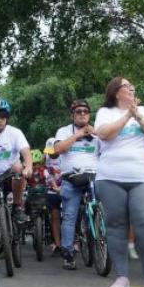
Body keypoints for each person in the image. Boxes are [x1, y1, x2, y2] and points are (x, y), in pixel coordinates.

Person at [94, 79, 144, 287]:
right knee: (116, 226)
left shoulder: (143, 111)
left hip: (142, 176)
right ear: (116, 92)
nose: (132, 88)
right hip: (110, 177)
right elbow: (104, 134)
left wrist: (138, 115)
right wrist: (127, 116)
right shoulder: (105, 112)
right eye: (127, 86)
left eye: (133, 86)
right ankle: (122, 278)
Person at [53, 99, 99, 271]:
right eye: (78, 112)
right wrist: (78, 135)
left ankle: (103, 241)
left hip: (94, 177)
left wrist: (97, 133)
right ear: (72, 115)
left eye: (85, 111)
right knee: (70, 216)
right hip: (71, 178)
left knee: (106, 208)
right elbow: (58, 149)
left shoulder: (97, 131)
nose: (82, 114)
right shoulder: (64, 131)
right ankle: (68, 254)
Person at [0, 98, 32, 224]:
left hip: (10, 175)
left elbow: (25, 150)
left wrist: (28, 166)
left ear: (7, 118)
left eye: (2, 117)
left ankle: (17, 207)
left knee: (18, 167)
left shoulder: (14, 132)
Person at [43, 138, 62, 255]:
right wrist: (54, 187)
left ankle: (73, 242)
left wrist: (61, 188)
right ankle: (57, 244)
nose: (51, 153)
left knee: (69, 217)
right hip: (52, 190)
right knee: (55, 217)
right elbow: (47, 174)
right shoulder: (46, 157)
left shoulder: (64, 156)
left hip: (66, 189)